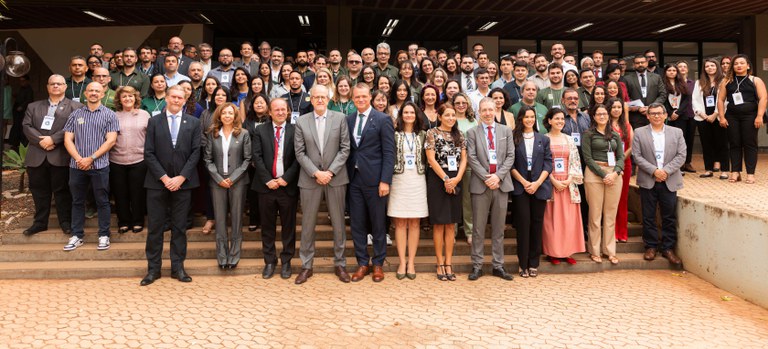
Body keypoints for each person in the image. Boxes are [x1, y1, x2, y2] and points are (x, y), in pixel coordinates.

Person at [141, 85, 202, 286]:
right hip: (157, 183)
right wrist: (165, 178)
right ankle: (153, 269)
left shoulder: (193, 122)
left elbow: (196, 152)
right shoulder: (154, 121)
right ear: (166, 98)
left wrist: (181, 177)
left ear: (185, 100)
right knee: (155, 228)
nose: (176, 100)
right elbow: (149, 152)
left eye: (180, 98)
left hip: (183, 184)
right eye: (173, 97)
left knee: (179, 228)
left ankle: (178, 268)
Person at [293, 85, 352, 284]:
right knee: (308, 224)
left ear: (328, 99)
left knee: (338, 224)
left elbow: (345, 148)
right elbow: (299, 152)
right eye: (316, 97)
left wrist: (330, 172)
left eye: (323, 97)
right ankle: (306, 266)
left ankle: (340, 264)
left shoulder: (340, 119)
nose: (319, 100)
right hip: (310, 179)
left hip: (336, 178)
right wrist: (316, 173)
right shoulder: (301, 121)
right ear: (310, 99)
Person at [21, 74, 82, 236]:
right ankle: (40, 223)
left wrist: (53, 139)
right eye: (52, 84)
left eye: (59, 84)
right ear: (47, 87)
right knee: (38, 190)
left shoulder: (76, 107)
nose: (55, 86)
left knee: (62, 191)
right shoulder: (33, 106)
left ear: (65, 87)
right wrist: (41, 141)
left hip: (60, 154)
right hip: (37, 155)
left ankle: (65, 222)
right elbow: (26, 126)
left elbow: (74, 127)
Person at [346, 83, 395, 283]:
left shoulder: (382, 119)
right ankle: (362, 263)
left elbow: (389, 152)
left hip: (375, 181)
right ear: (352, 99)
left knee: (378, 223)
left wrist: (385, 180)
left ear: (370, 98)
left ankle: (378, 263)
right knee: (357, 223)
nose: (360, 100)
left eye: (364, 96)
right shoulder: (348, 119)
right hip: (354, 179)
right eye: (357, 97)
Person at [62, 82, 119, 252]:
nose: (94, 93)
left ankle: (104, 235)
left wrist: (91, 158)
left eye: (97, 91)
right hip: (77, 165)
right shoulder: (75, 114)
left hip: (100, 165)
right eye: (91, 90)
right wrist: (79, 159)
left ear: (103, 94)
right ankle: (77, 235)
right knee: (77, 201)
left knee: (102, 201)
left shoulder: (110, 115)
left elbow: (111, 141)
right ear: (85, 94)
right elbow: (67, 140)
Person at [466, 97, 516, 281]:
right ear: (479, 112)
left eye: (490, 110)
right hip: (481, 185)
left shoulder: (506, 131)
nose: (487, 113)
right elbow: (471, 157)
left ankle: (498, 265)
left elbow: (510, 156)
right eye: (484, 110)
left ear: (496, 110)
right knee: (478, 229)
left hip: (501, 184)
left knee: (498, 229)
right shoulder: (472, 132)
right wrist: (487, 177)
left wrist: (498, 176)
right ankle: (477, 265)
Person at [252, 98, 300, 279]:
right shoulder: (260, 130)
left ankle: (286, 261)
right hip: (266, 187)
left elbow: (299, 157)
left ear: (288, 112)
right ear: (270, 112)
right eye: (276, 110)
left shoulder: (296, 130)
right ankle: (270, 261)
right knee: (267, 227)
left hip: (287, 186)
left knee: (289, 227)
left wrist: (286, 178)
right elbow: (256, 157)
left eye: (283, 109)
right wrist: (268, 180)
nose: (280, 112)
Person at [632, 103, 686, 265]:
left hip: (669, 180)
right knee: (648, 216)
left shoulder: (677, 132)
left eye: (659, 113)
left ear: (665, 115)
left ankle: (668, 248)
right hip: (648, 179)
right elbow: (637, 156)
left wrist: (665, 172)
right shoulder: (639, 132)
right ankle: (651, 246)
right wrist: (654, 171)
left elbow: (681, 155)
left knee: (669, 216)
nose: (656, 116)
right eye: (653, 113)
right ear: (647, 116)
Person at [204, 102, 252, 269]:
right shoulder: (212, 134)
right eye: (224, 113)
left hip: (238, 182)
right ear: (219, 115)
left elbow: (247, 159)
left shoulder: (243, 134)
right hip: (217, 182)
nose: (227, 116)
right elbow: (207, 159)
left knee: (237, 218)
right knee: (220, 219)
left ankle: (234, 254)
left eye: (230, 113)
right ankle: (222, 256)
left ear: (235, 115)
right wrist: (218, 178)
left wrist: (233, 178)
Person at [510, 105, 552, 278]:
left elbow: (548, 163)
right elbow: (510, 164)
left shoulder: (543, 139)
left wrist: (537, 183)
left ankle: (534, 263)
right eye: (526, 117)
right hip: (520, 186)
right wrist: (524, 182)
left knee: (537, 224)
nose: (529, 120)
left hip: (539, 186)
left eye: (532, 117)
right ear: (521, 118)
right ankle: (523, 264)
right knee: (523, 224)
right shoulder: (514, 138)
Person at [425, 103, 466, 281]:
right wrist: (446, 179)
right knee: (439, 223)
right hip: (437, 179)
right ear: (439, 117)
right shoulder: (432, 133)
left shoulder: (460, 134)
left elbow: (464, 159)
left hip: (456, 178)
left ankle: (449, 263)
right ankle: (439, 263)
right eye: (447, 115)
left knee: (451, 224)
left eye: (453, 115)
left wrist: (456, 179)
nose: (451, 118)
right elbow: (431, 159)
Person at [388, 102, 428, 280]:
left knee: (414, 223)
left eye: (412, 112)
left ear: (416, 114)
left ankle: (411, 262)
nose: (409, 115)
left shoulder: (423, 134)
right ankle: (402, 262)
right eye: (406, 112)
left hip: (418, 180)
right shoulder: (394, 134)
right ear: (401, 115)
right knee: (400, 222)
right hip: (399, 180)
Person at [581, 103, 624, 265]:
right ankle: (594, 251)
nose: (602, 116)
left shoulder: (615, 135)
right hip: (594, 174)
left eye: (604, 114)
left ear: (608, 116)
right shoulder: (588, 134)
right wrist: (603, 174)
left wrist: (615, 172)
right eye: (598, 114)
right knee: (595, 215)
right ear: (593, 116)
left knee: (610, 215)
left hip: (613, 175)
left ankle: (609, 251)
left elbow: (621, 157)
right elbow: (587, 158)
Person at [541, 108, 585, 265]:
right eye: (556, 118)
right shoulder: (544, 139)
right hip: (551, 183)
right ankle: (553, 252)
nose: (560, 121)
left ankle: (567, 252)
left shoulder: (569, 139)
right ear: (549, 121)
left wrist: (569, 179)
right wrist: (553, 180)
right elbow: (542, 163)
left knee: (568, 219)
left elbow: (575, 161)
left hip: (568, 184)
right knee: (552, 220)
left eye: (562, 119)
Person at [717, 54, 766, 184]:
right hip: (732, 116)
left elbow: (763, 98)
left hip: (751, 115)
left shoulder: (755, 80)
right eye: (736, 63)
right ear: (733, 66)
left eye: (742, 63)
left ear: (748, 66)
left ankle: (750, 173)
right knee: (734, 143)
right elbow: (720, 100)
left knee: (750, 144)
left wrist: (759, 116)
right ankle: (735, 172)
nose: (739, 65)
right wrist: (721, 117)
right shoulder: (726, 81)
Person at [110, 86, 150, 234]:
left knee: (137, 193)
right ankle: (123, 221)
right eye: (124, 96)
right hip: (116, 160)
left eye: (130, 96)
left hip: (139, 159)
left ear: (135, 98)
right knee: (120, 193)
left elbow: (150, 136)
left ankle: (138, 221)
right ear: (119, 99)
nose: (128, 99)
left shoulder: (144, 115)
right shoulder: (113, 116)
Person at [692, 58, 729, 179]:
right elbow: (694, 100)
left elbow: (725, 100)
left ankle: (724, 170)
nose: (710, 68)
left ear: (717, 67)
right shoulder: (699, 82)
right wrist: (702, 114)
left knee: (722, 143)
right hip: (703, 117)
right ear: (704, 69)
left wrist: (715, 114)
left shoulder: (724, 81)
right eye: (707, 66)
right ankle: (708, 169)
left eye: (712, 65)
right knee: (706, 144)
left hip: (719, 117)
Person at [242, 94, 270, 232]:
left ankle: (266, 221)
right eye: (256, 103)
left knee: (267, 194)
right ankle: (254, 219)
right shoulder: (247, 122)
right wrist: (252, 159)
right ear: (252, 106)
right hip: (252, 164)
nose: (259, 105)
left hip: (269, 162)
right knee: (253, 193)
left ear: (267, 105)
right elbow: (244, 142)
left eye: (262, 102)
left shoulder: (272, 120)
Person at [607, 98, 633, 243]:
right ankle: (611, 232)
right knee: (611, 200)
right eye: (614, 107)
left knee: (622, 199)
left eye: (619, 107)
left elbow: (632, 146)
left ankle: (622, 232)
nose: (617, 110)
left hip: (624, 164)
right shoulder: (604, 125)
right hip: (608, 165)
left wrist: (621, 160)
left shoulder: (627, 125)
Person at [453, 93, 477, 244]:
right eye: (457, 103)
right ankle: (452, 231)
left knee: (468, 200)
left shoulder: (473, 122)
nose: (461, 105)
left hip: (469, 165)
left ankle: (470, 231)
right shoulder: (450, 119)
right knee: (453, 199)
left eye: (464, 103)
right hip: (452, 166)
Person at [661, 63, 694, 174]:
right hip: (668, 116)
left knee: (680, 140)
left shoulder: (682, 83)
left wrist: (678, 112)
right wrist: (671, 113)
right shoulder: (662, 84)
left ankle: (681, 165)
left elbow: (686, 99)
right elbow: (663, 99)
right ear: (665, 72)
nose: (672, 72)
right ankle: (671, 166)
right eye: (669, 70)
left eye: (674, 70)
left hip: (681, 116)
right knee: (670, 141)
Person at [625, 55, 668, 129]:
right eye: (637, 63)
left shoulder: (656, 77)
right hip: (635, 117)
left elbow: (663, 94)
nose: (640, 64)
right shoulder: (627, 79)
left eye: (642, 62)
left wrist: (651, 107)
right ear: (634, 65)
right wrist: (638, 108)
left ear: (647, 63)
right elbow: (626, 96)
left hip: (654, 115)